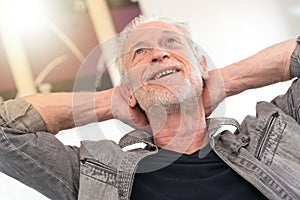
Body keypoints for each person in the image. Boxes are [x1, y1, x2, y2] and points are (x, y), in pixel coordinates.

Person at [0, 15, 300, 200]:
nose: (158, 54)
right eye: (140, 53)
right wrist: (112, 101)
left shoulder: (275, 130)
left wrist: (220, 80)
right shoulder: (92, 172)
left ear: (201, 65)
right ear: (127, 89)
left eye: (171, 42)